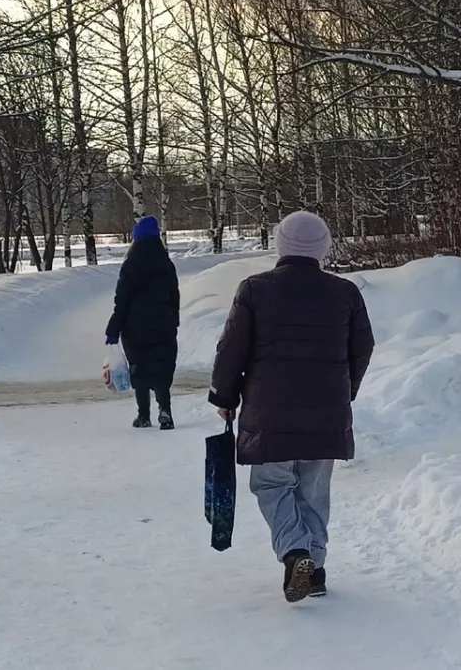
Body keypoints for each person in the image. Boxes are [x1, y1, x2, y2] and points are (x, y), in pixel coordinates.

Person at [209, 210, 374, 603]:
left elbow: (232, 349)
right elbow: (362, 347)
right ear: (323, 248)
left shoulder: (254, 289)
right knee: (314, 490)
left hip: (269, 414)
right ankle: (313, 569)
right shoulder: (345, 292)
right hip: (327, 411)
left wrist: (224, 397)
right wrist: (344, 391)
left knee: (272, 484)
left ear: (281, 245)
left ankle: (294, 552)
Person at [105, 215, 180, 430]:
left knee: (140, 368)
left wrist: (114, 328)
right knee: (162, 369)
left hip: (135, 327)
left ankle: (143, 416)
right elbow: (174, 296)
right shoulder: (166, 264)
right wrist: (173, 321)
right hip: (164, 326)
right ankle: (165, 412)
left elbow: (122, 300)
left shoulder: (131, 265)